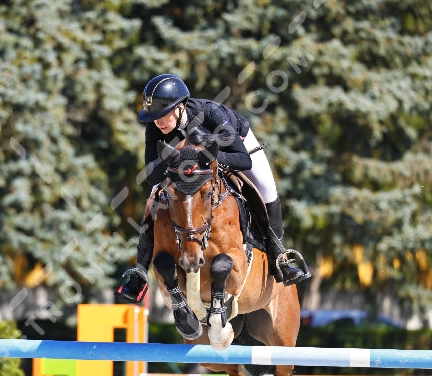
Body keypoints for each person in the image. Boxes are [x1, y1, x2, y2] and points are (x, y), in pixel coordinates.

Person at [115, 74, 311, 305]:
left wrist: (207, 154)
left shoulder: (210, 113)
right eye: (153, 116)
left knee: (266, 187)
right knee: (154, 196)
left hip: (236, 145)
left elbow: (243, 159)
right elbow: (153, 175)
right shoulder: (155, 127)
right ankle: (140, 271)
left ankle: (280, 257)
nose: (157, 121)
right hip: (190, 164)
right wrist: (177, 161)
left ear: (179, 107)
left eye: (163, 114)